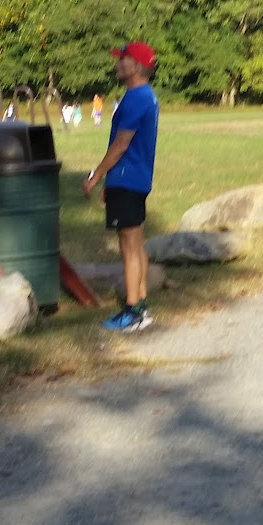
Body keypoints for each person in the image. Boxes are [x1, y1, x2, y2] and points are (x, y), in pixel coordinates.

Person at [84, 41, 160, 334]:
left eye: (122, 60)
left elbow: (120, 145)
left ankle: (131, 311)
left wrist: (96, 176)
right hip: (134, 179)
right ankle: (141, 306)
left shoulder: (135, 98)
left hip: (126, 178)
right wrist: (110, 181)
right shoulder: (146, 96)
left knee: (128, 248)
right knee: (137, 244)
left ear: (136, 66)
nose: (117, 64)